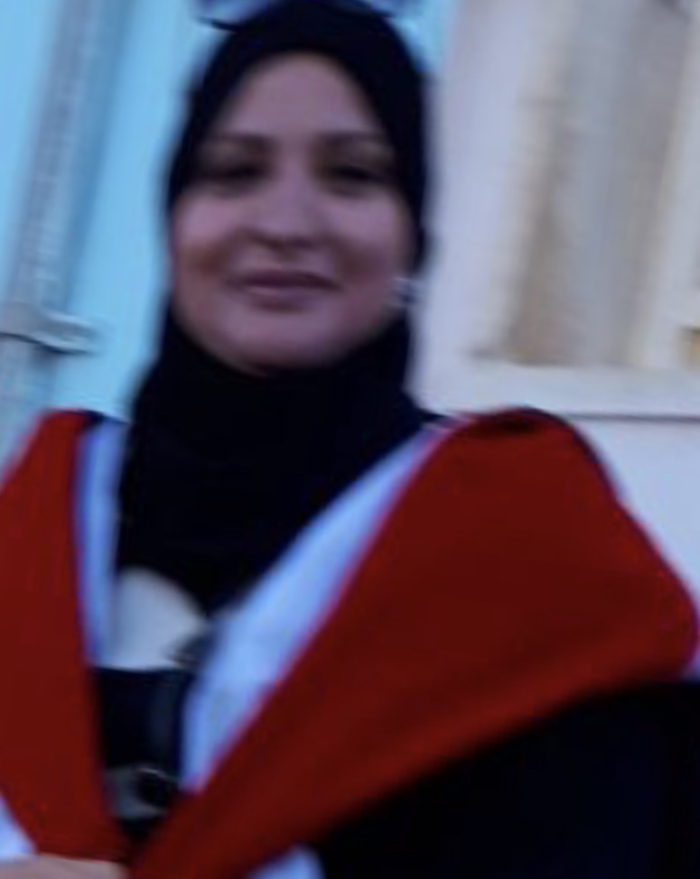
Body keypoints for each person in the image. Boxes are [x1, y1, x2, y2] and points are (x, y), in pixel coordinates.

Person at [0, 1, 698, 878]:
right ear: (173, 217)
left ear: (413, 232)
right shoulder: (40, 520)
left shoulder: (532, 555)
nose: (286, 222)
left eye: (352, 175)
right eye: (234, 171)